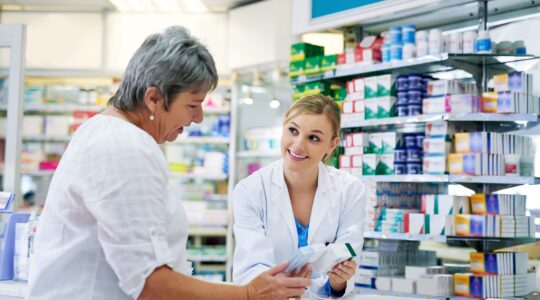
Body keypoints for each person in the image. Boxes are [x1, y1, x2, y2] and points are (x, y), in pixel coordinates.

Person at [26, 26, 311, 300]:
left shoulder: (109, 133)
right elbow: (150, 284)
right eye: (192, 104)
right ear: (153, 98)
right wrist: (249, 294)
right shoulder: (124, 147)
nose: (198, 117)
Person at [232, 95, 367, 298]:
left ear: (332, 145)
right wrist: (281, 288)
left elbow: (344, 266)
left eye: (314, 138)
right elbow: (251, 266)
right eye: (293, 131)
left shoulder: (350, 190)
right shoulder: (250, 190)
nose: (297, 145)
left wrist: (338, 280)